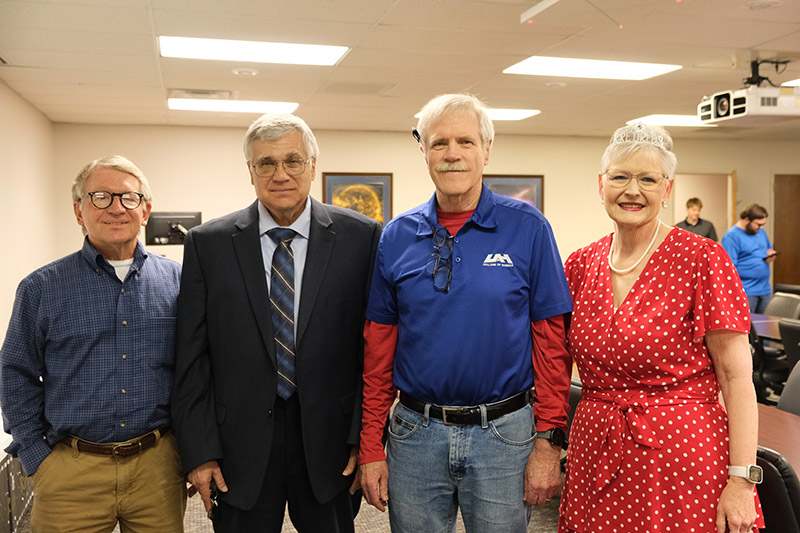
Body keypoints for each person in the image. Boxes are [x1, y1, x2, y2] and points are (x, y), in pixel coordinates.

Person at [358, 93, 573, 533]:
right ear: (424, 151)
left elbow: (551, 346)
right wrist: (370, 446)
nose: (452, 154)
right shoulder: (396, 237)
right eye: (439, 143)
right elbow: (377, 352)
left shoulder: (530, 229)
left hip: (505, 437)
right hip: (415, 435)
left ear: (486, 149)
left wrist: (549, 443)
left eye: (465, 142)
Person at [171, 113, 381, 532]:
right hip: (238, 446)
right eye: (265, 163)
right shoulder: (207, 243)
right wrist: (200, 451)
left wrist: (367, 439)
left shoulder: (362, 237)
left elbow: (372, 350)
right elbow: (191, 359)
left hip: (332, 443)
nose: (280, 174)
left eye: (293, 160)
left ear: (313, 165)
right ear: (250, 171)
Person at [559, 123, 764, 533]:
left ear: (667, 190)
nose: (632, 190)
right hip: (594, 451)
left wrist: (741, 479)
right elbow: (555, 363)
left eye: (648, 179)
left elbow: (737, 377)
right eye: (620, 176)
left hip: (680, 457)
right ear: (601, 185)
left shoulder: (703, 259)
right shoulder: (580, 264)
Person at [0, 155, 185, 531]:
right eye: (100, 197)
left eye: (128, 198)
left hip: (157, 466)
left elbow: (197, 370)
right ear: (78, 210)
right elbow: (15, 373)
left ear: (145, 210)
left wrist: (188, 452)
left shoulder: (180, 282)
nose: (116, 208)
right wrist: (38, 456)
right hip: (70, 468)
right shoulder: (41, 288)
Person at [722, 204, 776, 314]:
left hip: (765, 289)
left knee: (765, 328)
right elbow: (729, 268)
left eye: (763, 225)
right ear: (747, 220)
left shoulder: (761, 232)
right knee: (748, 329)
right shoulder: (731, 236)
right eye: (758, 224)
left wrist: (770, 255)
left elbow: (768, 249)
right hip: (746, 291)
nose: (761, 228)